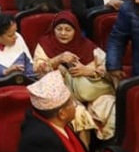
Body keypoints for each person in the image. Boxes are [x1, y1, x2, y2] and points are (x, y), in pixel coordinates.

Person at [32, 13, 116, 143]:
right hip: (61, 95)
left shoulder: (87, 45)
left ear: (76, 31)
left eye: (68, 30)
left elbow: (109, 68)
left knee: (108, 104)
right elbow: (37, 71)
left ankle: (106, 149)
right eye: (59, 29)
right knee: (78, 113)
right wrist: (58, 59)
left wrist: (89, 71)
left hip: (91, 91)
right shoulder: (45, 44)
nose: (63, 33)